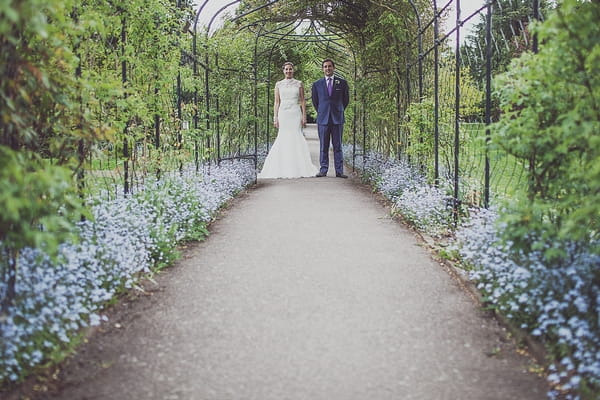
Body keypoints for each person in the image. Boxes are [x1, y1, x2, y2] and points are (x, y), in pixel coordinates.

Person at [258, 62, 318, 179]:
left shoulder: (299, 83)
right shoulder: (278, 84)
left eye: (290, 69)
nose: (288, 71)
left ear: (293, 70)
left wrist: (304, 116)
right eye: (286, 69)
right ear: (283, 71)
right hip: (283, 113)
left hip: (295, 113)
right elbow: (276, 102)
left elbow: (302, 101)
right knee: (283, 137)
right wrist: (275, 117)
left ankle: (299, 166)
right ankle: (282, 166)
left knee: (296, 136)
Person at [311, 59, 350, 178]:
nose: (327, 69)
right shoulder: (317, 84)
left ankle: (339, 171)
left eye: (329, 66)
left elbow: (346, 100)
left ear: (334, 68)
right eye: (325, 67)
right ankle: (323, 170)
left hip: (337, 117)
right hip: (323, 118)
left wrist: (338, 109)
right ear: (322, 69)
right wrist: (322, 111)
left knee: (338, 146)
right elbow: (315, 101)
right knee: (324, 145)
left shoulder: (342, 83)